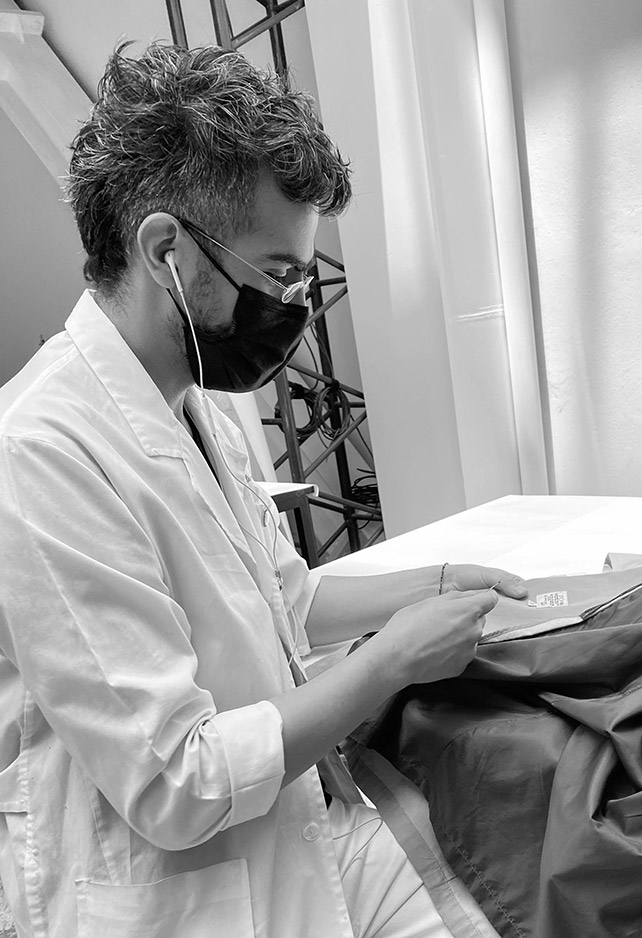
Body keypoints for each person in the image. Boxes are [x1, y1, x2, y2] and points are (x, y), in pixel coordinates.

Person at [0, 43, 526, 938]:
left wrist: (434, 584)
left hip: (295, 829)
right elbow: (176, 783)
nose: (293, 306)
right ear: (166, 251)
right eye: (277, 274)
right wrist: (389, 661)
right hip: (173, 889)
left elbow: (283, 600)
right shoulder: (38, 453)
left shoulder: (190, 402)